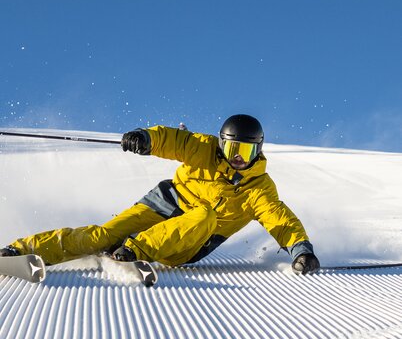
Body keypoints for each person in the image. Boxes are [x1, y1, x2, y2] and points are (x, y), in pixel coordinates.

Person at [0, 115, 320, 274]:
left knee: (205, 215)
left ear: (258, 150)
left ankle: (135, 250)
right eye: (233, 148)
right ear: (222, 143)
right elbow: (174, 140)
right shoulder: (204, 148)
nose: (238, 156)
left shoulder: (259, 188)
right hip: (165, 202)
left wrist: (300, 250)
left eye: (246, 150)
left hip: (192, 239)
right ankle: (19, 250)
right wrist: (145, 138)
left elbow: (281, 219)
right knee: (104, 234)